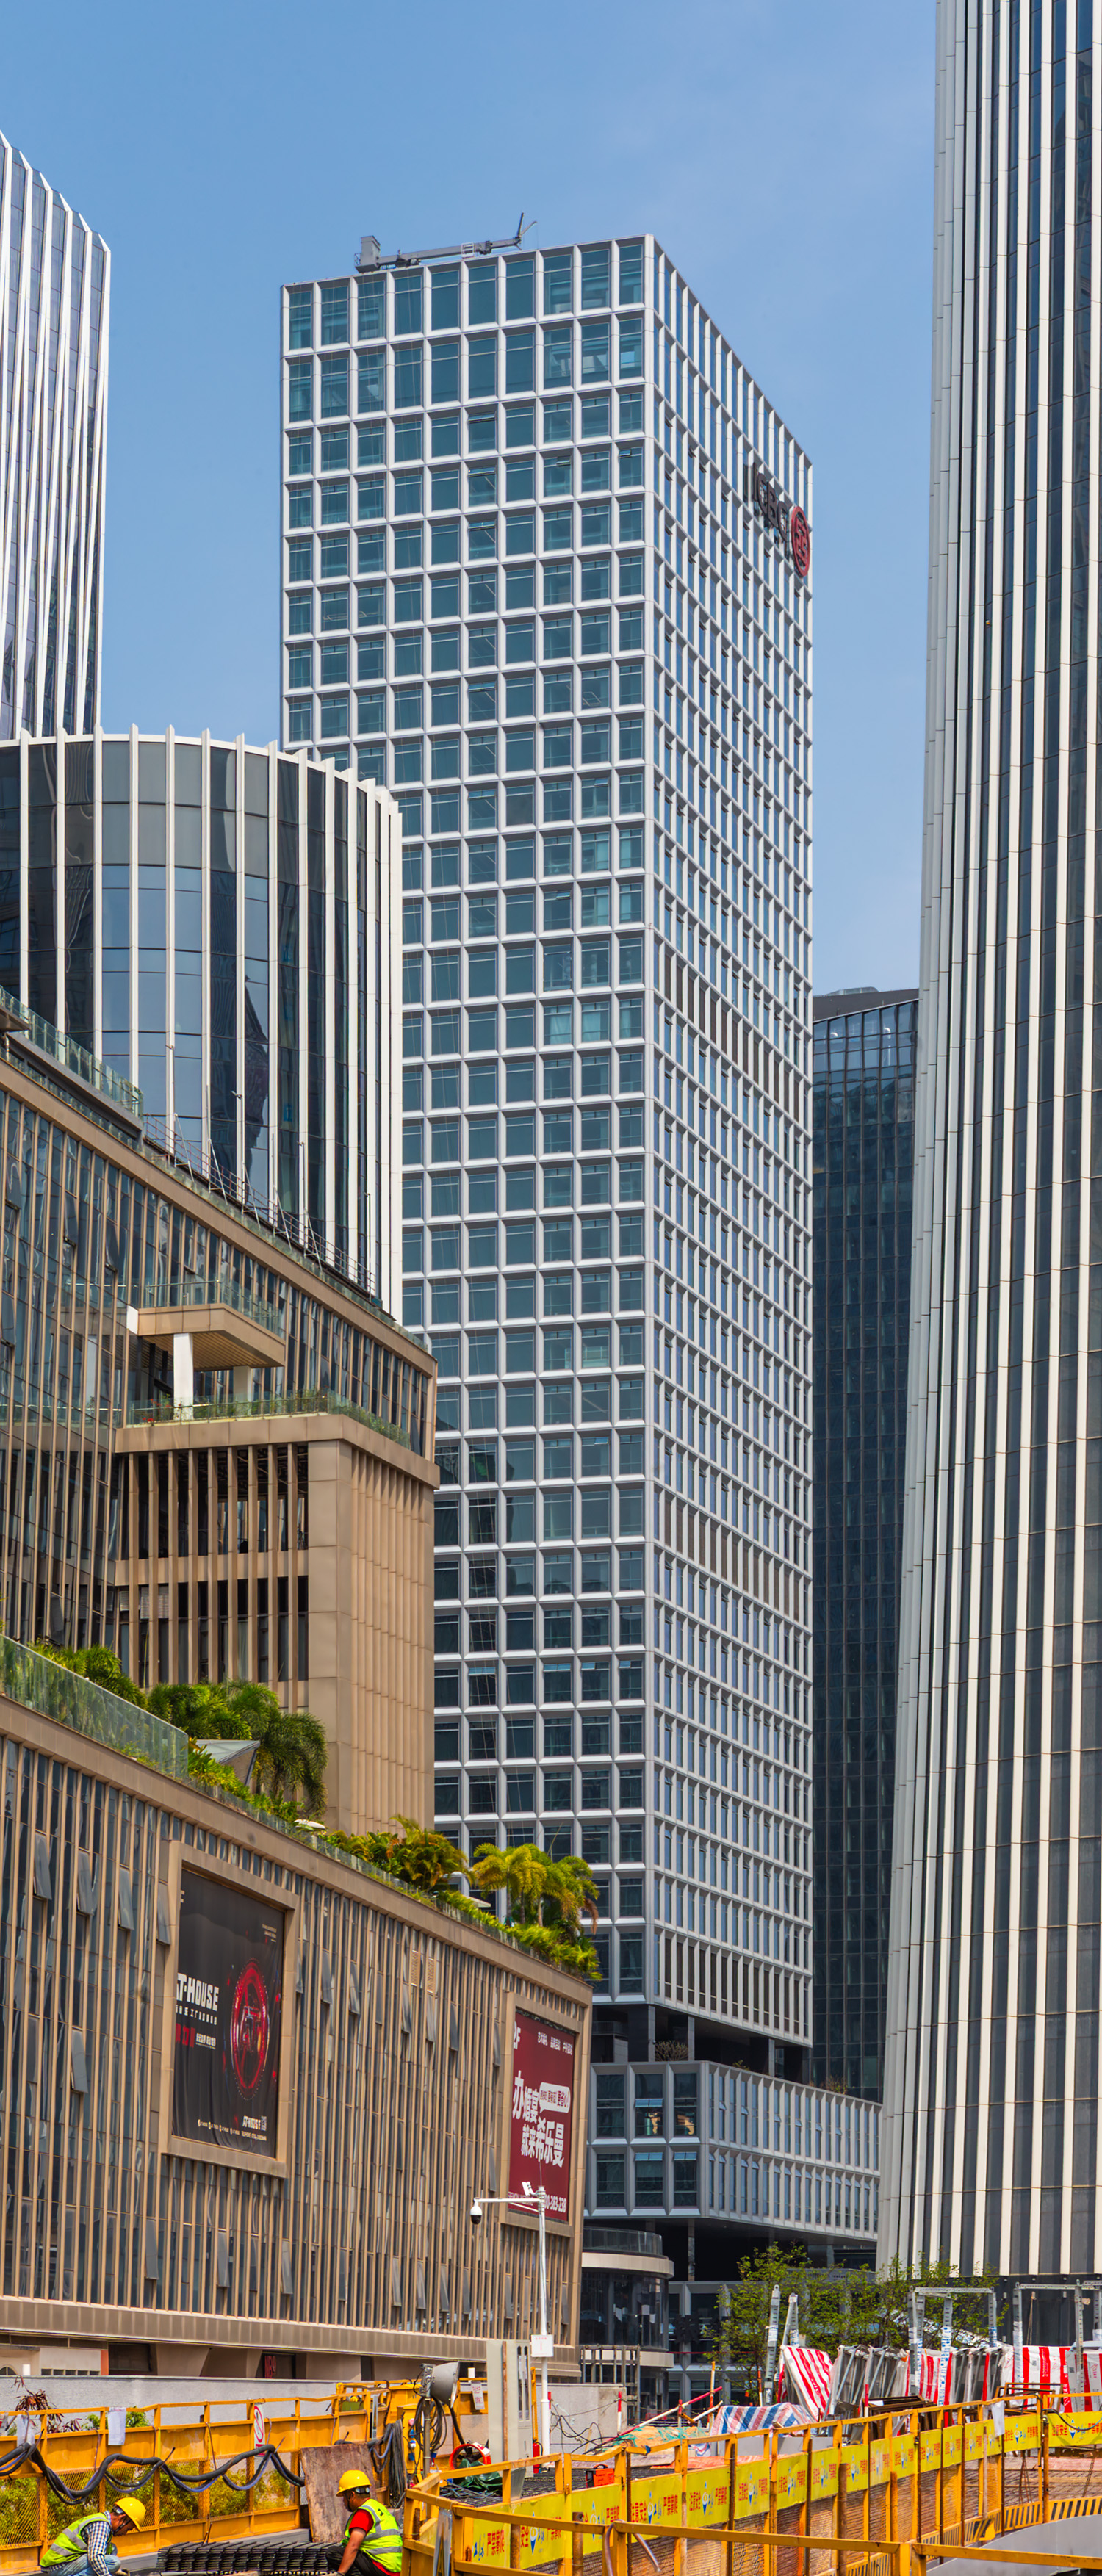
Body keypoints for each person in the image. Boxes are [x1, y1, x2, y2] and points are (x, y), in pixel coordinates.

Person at [41, 2498, 146, 2576]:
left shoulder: (101, 2520)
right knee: (114, 2562)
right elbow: (95, 2557)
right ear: (122, 2519)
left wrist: (117, 2572)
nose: (125, 2533)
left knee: (112, 2549)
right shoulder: (102, 2525)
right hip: (59, 2568)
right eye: (128, 2529)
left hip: (64, 2564)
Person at [335, 2468, 402, 2576]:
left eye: (344, 2497)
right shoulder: (379, 2508)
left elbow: (354, 2546)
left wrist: (340, 2573)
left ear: (351, 2495)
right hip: (395, 2570)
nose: (343, 2502)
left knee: (334, 2553)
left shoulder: (364, 2513)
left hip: (382, 2569)